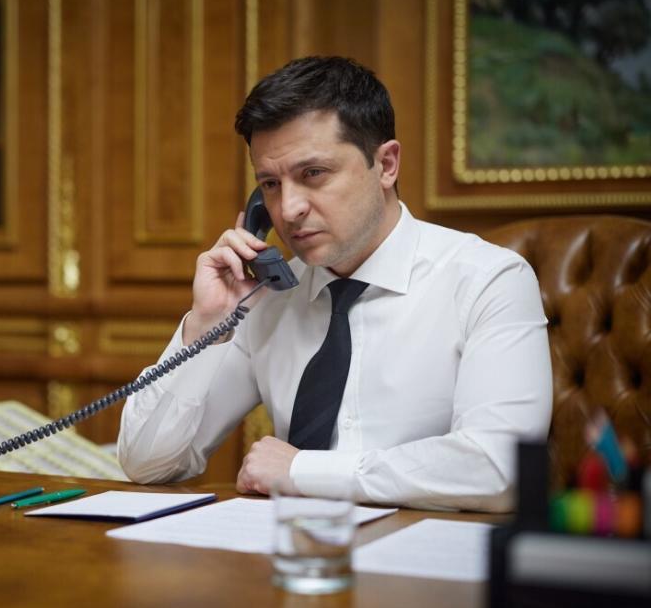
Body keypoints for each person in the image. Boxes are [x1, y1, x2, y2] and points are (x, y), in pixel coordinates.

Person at [117, 56, 552, 512]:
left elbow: (500, 469)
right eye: (269, 183)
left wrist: (302, 471)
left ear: (386, 164)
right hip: (285, 565)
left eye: (313, 174)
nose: (287, 210)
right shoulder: (267, 300)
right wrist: (205, 325)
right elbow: (148, 464)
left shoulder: (489, 281)